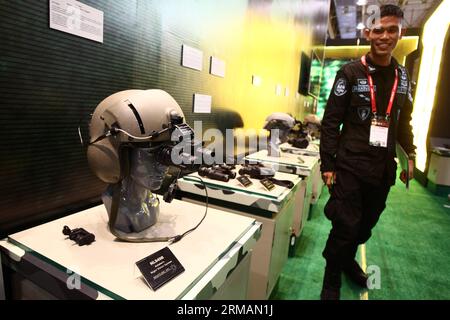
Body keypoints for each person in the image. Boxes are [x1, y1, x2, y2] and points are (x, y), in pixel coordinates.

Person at [319, 4, 416, 300]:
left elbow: (404, 124)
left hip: (382, 169)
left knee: (365, 227)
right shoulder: (349, 72)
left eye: (391, 30)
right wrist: (328, 165)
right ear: (368, 32)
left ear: (400, 33)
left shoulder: (402, 77)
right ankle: (331, 278)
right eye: (378, 30)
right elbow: (331, 122)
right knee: (346, 226)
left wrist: (410, 156)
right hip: (349, 167)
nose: (384, 36)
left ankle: (347, 260)